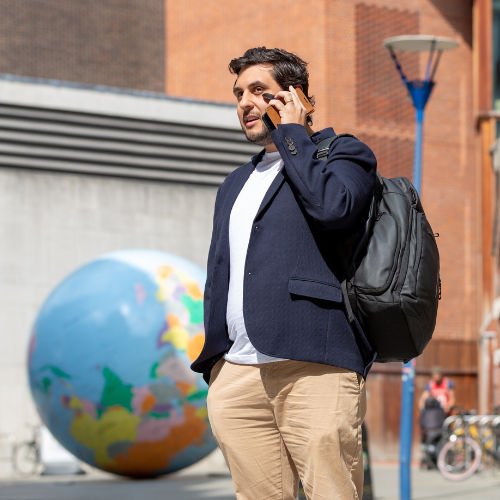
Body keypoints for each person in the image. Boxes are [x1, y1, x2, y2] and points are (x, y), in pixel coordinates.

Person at [191, 47, 377, 500]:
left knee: (331, 492)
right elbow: (222, 272)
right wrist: (217, 367)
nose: (245, 103)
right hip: (237, 371)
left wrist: (295, 134)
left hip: (313, 361)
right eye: (238, 93)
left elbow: (334, 209)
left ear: (296, 97)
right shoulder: (235, 182)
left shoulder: (344, 154)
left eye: (259, 90)